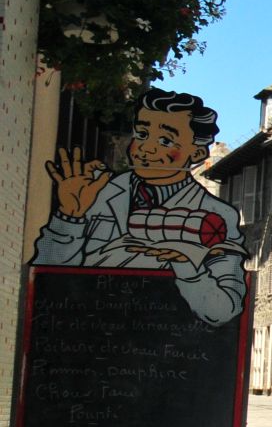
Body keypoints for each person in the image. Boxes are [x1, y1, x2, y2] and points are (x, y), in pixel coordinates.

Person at [35, 88, 247, 326]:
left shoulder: (215, 218)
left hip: (164, 349)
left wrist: (188, 269)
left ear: (196, 152)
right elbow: (44, 280)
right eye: (142, 134)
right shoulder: (96, 193)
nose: (146, 148)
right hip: (80, 338)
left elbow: (225, 311)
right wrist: (69, 217)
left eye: (166, 140)